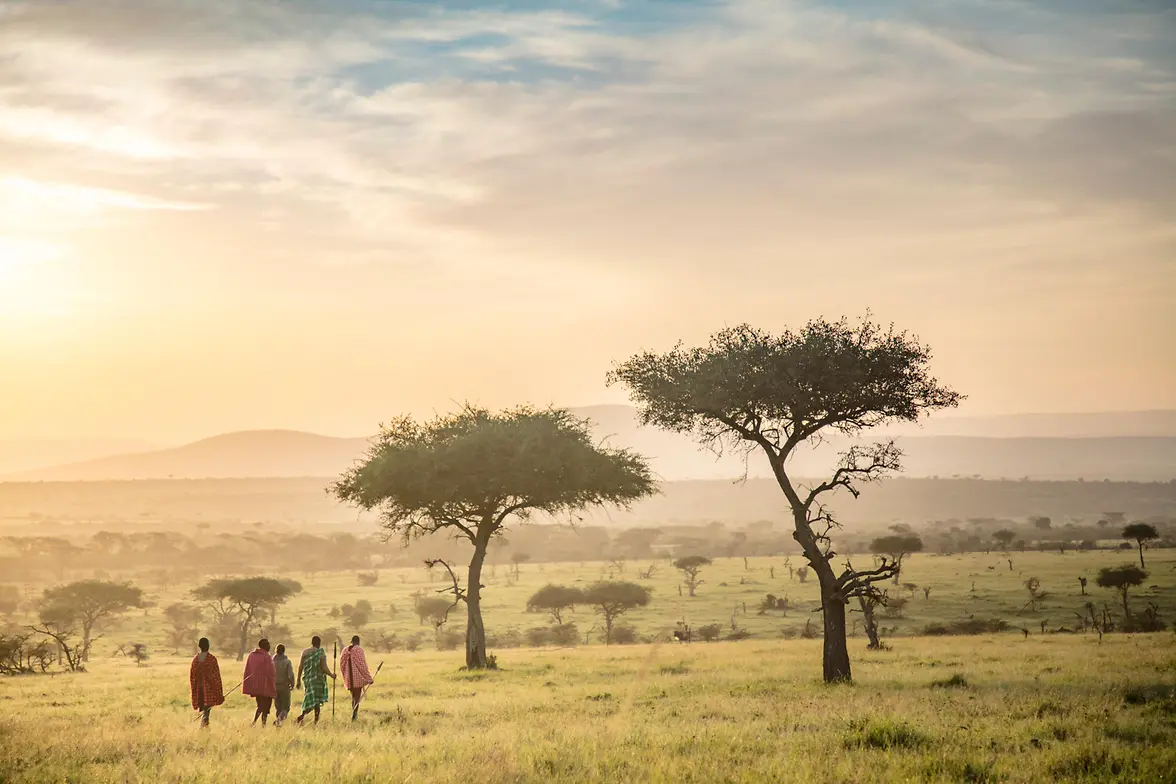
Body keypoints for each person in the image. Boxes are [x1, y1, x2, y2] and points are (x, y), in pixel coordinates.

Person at [295, 635, 335, 725]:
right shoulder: (320, 653)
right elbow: (324, 668)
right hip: (317, 680)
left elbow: (300, 667)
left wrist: (298, 680)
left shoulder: (304, 652)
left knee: (309, 698)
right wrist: (332, 675)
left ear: (312, 643)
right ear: (319, 643)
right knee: (316, 701)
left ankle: (303, 716)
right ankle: (312, 720)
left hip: (307, 680)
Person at [189, 638, 224, 728]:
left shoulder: (195, 659)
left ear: (199, 646)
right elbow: (216, 677)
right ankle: (204, 728)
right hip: (208, 689)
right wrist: (219, 692)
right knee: (206, 710)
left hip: (198, 689)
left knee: (206, 710)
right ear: (208, 646)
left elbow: (192, 676)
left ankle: (204, 728)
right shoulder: (211, 659)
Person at [338, 635, 374, 721]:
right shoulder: (359, 650)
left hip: (348, 678)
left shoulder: (345, 650)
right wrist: (369, 678)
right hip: (357, 677)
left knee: (354, 696)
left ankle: (354, 713)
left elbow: (341, 665)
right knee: (357, 697)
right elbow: (362, 665)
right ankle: (354, 714)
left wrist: (345, 676)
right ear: (358, 642)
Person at [242, 638, 277, 726]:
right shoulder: (267, 656)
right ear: (265, 646)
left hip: (255, 686)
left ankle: (256, 722)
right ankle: (261, 724)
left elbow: (248, 669)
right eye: (268, 644)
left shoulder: (251, 655)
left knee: (260, 705)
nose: (269, 646)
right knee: (265, 707)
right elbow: (271, 672)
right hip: (265, 686)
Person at [273, 644, 295, 725]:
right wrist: (292, 684)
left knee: (278, 708)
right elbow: (291, 675)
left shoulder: (272, 662)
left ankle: (278, 724)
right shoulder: (287, 662)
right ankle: (278, 721)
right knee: (285, 708)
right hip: (284, 686)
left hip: (274, 686)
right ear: (284, 651)